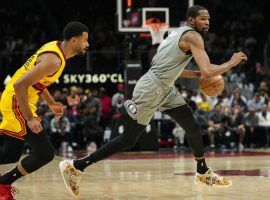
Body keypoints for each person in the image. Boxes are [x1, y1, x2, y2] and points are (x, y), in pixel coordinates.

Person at [60, 5, 247, 198]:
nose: (207, 22)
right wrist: (231, 63)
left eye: (208, 18)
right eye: (202, 18)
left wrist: (199, 74)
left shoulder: (177, 34)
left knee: (193, 126)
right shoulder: (194, 37)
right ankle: (76, 166)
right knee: (128, 140)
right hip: (152, 89)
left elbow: (175, 69)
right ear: (191, 20)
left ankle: (202, 171)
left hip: (165, 87)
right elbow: (208, 71)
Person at [0, 21, 89, 199]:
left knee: (10, 153)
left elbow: (37, 82)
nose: (87, 44)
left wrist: (50, 102)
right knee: (45, 154)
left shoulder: (55, 50)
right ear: (74, 40)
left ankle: (3, 184)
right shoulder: (54, 60)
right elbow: (20, 85)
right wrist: (30, 118)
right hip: (16, 102)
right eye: (85, 40)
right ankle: (3, 184)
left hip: (18, 99)